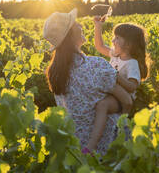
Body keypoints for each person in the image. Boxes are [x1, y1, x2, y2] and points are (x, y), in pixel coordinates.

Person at [43, 9, 131, 155]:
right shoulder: (95, 65)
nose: (80, 24)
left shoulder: (55, 72)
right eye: (75, 23)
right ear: (70, 35)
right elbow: (127, 101)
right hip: (107, 150)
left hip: (75, 150)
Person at [85, 15, 149, 152]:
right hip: (111, 92)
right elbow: (99, 46)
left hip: (122, 98)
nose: (113, 40)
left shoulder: (132, 63)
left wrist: (116, 76)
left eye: (117, 38)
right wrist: (98, 26)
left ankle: (91, 145)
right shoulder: (115, 55)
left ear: (129, 44)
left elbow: (132, 87)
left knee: (102, 106)